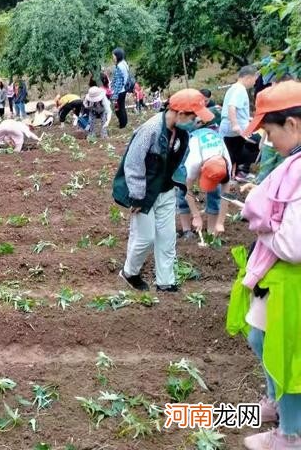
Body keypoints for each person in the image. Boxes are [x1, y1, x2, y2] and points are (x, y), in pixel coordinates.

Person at [225, 81, 301, 450]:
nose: (268, 142)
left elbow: (293, 244)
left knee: (287, 356)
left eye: (270, 132)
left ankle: (289, 435)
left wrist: (259, 223)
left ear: (294, 125)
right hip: (278, 277)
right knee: (260, 338)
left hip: (292, 278)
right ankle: (276, 408)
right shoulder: (293, 165)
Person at [112, 89, 214, 292]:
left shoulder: (182, 134)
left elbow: (179, 163)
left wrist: (184, 185)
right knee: (145, 238)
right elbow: (133, 164)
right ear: (181, 114)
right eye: (194, 117)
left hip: (166, 190)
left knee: (167, 238)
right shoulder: (150, 129)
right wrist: (137, 197)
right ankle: (129, 273)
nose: (196, 122)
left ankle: (165, 282)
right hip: (145, 193)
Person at [177, 109, 231, 238]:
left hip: (212, 141)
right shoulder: (194, 161)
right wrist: (196, 216)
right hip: (194, 140)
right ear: (202, 169)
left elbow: (226, 196)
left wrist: (221, 222)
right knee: (180, 186)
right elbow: (187, 190)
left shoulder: (226, 164)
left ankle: (212, 230)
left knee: (216, 192)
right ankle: (186, 230)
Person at [219, 65, 258, 178]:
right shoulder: (239, 89)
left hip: (233, 128)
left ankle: (234, 174)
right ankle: (233, 174)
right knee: (255, 145)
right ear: (248, 77)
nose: (254, 83)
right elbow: (232, 107)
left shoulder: (234, 88)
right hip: (234, 129)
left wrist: (247, 119)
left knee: (234, 152)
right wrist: (235, 125)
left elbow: (233, 108)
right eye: (254, 80)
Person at [111, 47, 131, 129]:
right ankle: (124, 123)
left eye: (113, 56)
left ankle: (122, 125)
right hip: (124, 89)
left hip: (120, 90)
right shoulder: (124, 63)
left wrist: (115, 94)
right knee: (121, 107)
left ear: (117, 56)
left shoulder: (119, 66)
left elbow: (119, 82)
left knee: (119, 108)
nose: (112, 58)